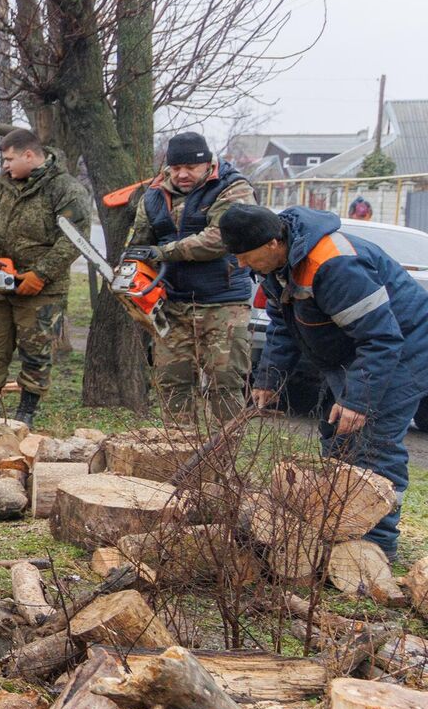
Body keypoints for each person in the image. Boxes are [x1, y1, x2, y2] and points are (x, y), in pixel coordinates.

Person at [234, 203, 428, 561]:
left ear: (273, 242)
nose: (242, 265)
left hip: (404, 347)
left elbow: (382, 338)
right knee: (338, 437)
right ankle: (338, 530)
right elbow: (283, 325)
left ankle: (377, 546)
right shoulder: (277, 267)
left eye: (246, 256)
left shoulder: (334, 264)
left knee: (374, 444)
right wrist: (268, 378)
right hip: (355, 350)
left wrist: (357, 399)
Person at [121, 131, 258, 425]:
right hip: (172, 303)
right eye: (176, 167)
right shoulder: (153, 196)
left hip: (222, 302)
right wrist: (132, 269)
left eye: (190, 167)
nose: (182, 174)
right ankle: (177, 446)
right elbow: (140, 243)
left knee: (225, 381)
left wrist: (164, 252)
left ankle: (225, 448)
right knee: (172, 382)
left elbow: (219, 239)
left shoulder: (232, 188)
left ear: (207, 164)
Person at [0, 128, 94, 427]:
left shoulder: (66, 189)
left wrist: (41, 273)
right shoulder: (2, 183)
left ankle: (26, 411)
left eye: (9, 159)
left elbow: (73, 240)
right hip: (0, 278)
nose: (5, 165)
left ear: (28, 155)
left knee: (35, 348)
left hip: (41, 288)